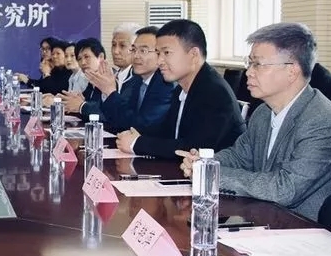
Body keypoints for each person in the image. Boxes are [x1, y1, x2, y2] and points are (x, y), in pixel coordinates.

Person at [178, 23, 331, 221]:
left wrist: (210, 174)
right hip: (265, 220)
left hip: (304, 228)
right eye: (249, 63)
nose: (248, 72)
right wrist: (204, 163)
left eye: (258, 64)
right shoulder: (263, 112)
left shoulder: (324, 122)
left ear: (292, 71)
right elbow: (240, 156)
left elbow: (285, 189)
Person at [116, 19, 244, 159]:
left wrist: (137, 143)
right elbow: (168, 132)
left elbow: (194, 149)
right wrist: (137, 135)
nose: (160, 61)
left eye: (166, 53)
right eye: (158, 53)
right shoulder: (181, 89)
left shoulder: (214, 93)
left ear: (193, 55)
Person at [79, 26, 173, 134]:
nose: (136, 56)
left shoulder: (166, 84)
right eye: (134, 50)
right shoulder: (138, 81)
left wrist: (110, 91)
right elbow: (120, 119)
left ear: (160, 54)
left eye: (143, 51)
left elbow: (142, 126)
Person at [110, 23, 141, 92]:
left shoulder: (140, 78)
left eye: (122, 46)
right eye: (114, 45)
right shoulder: (113, 76)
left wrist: (108, 90)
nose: (115, 51)